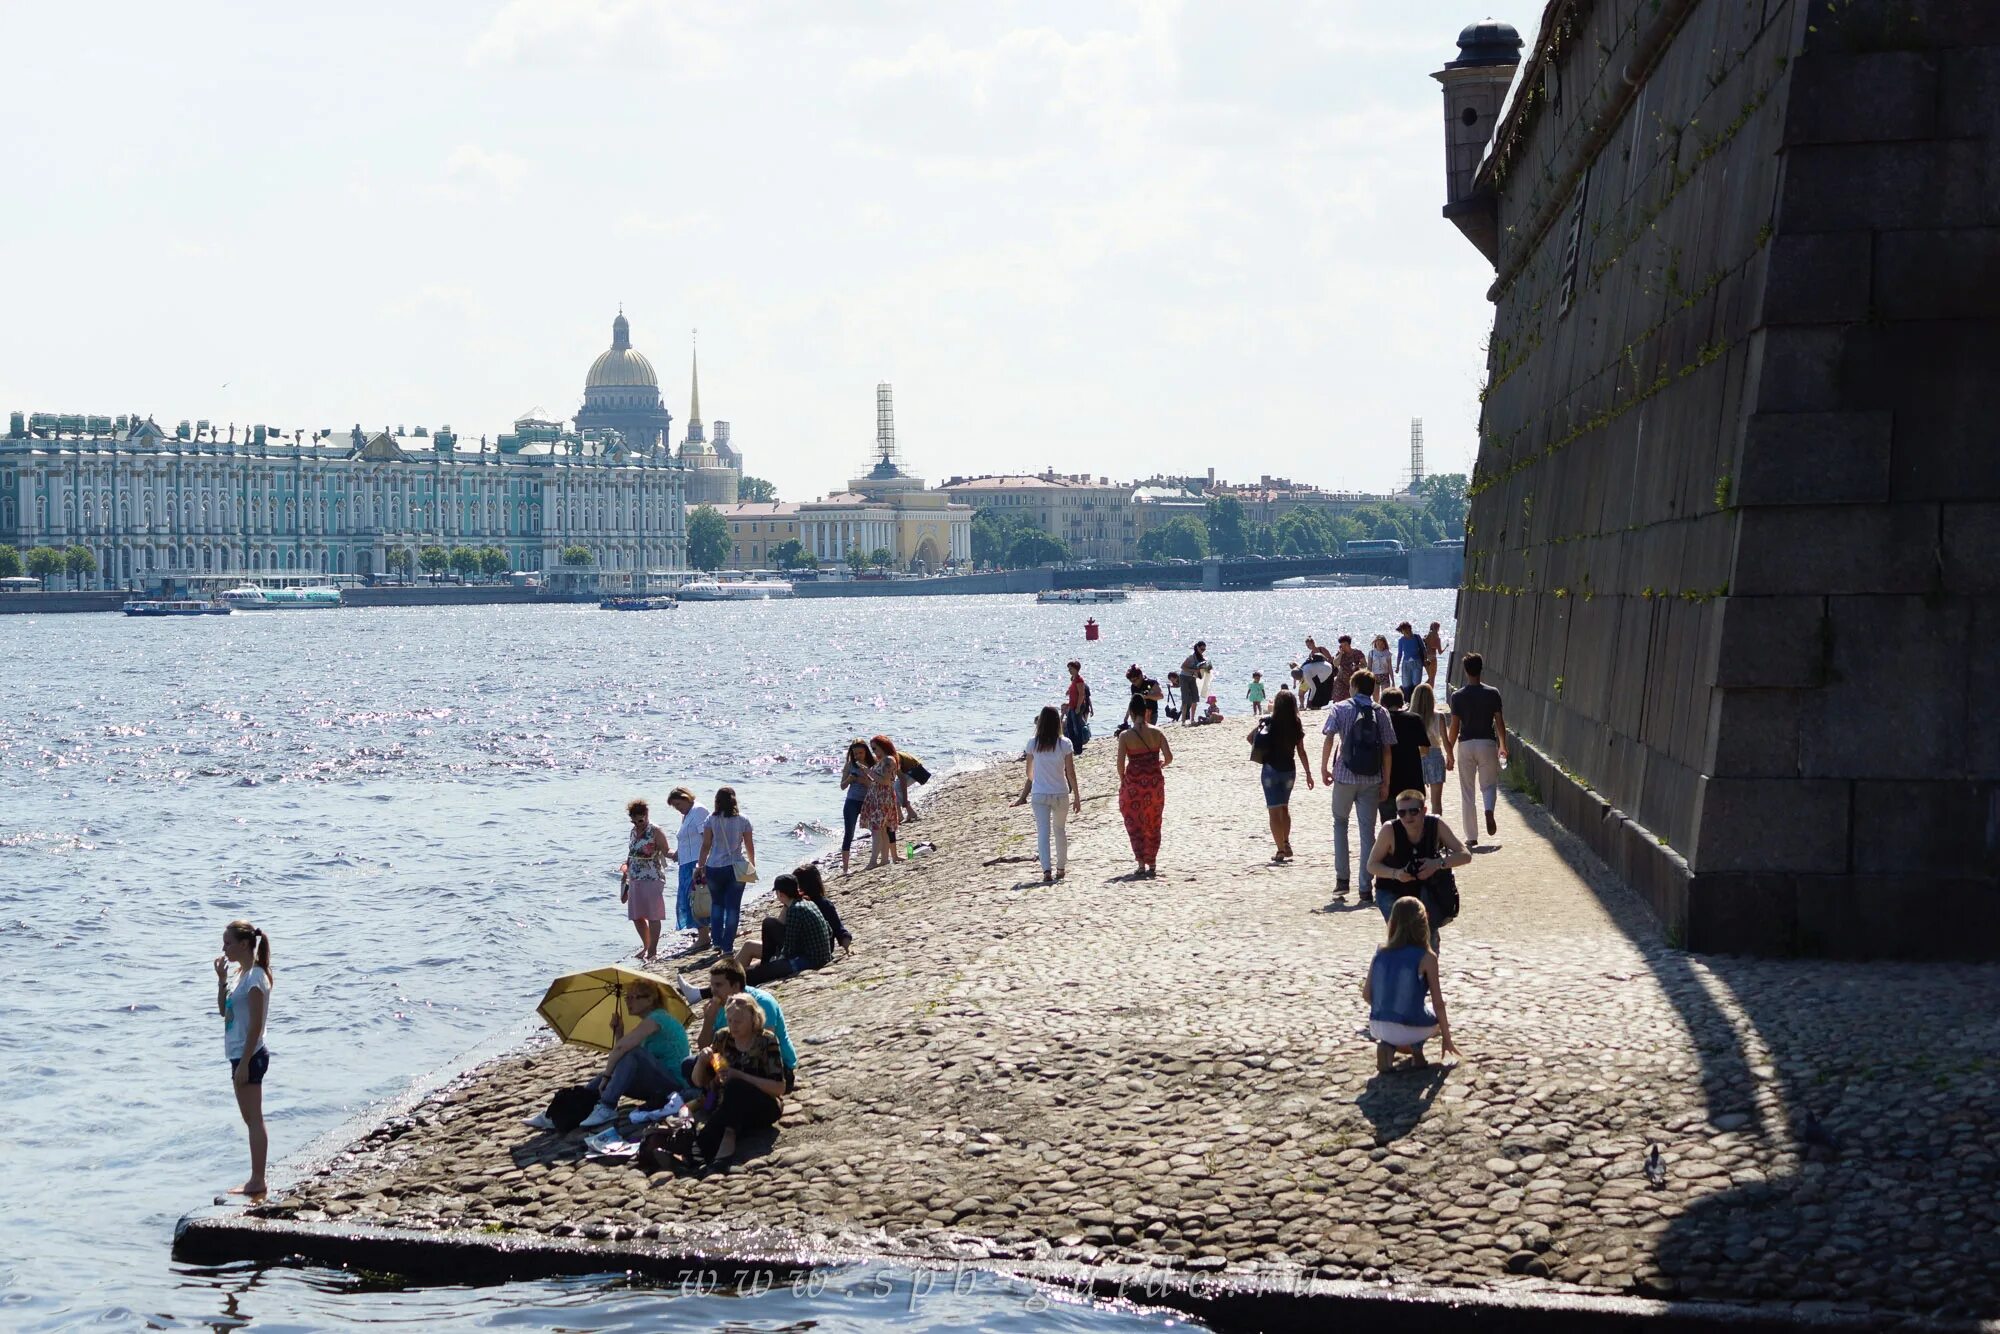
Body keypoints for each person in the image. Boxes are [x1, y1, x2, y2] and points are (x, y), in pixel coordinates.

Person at [578, 977, 694, 1128]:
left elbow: (622, 1050)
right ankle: (576, 1102)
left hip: (676, 1086)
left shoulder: (658, 1018)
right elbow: (623, 1059)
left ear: (650, 999)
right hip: (660, 1084)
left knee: (632, 1054)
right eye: (627, 997)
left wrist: (607, 1076)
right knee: (620, 1066)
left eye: (634, 997)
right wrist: (619, 1032)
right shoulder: (648, 1023)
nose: (628, 1002)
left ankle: (606, 1106)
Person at [1320, 669, 1394, 903]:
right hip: (1372, 779)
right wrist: (1386, 782)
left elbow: (1329, 736)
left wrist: (1324, 767)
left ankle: (1342, 881)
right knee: (1367, 833)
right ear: (1372, 689)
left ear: (1352, 686)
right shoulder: (1380, 712)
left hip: (1344, 775)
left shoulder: (1340, 708)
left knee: (1340, 824)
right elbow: (1387, 750)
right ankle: (1365, 886)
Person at [1362, 896, 1460, 1074]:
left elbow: (1367, 995)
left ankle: (1390, 1046)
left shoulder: (1380, 952)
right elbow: (1438, 1004)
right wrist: (1447, 1039)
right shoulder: (1427, 957)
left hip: (1378, 1025)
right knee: (1432, 1017)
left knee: (1403, 1019)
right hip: (1410, 1024)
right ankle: (1416, 1049)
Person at [689, 994, 788, 1167]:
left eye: (738, 1021)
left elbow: (779, 1088)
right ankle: (726, 1139)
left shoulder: (767, 1040)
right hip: (728, 1104)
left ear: (753, 1019)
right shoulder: (722, 1038)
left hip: (763, 1104)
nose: (733, 1026)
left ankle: (715, 1142)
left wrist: (740, 1076)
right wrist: (701, 1062)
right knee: (728, 1104)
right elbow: (700, 1081)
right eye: (730, 1020)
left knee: (736, 1088)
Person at [215, 919, 273, 1198]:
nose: (224, 948)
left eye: (228, 942)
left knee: (254, 1119)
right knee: (249, 1117)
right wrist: (222, 981)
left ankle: (257, 1180)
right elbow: (224, 1012)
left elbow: (256, 1026)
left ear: (245, 944)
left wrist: (247, 1062)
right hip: (238, 1053)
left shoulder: (255, 978)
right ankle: (255, 1178)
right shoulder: (241, 975)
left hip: (250, 1054)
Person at [1368, 789, 1472, 944]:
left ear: (1424, 811)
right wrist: (1396, 873)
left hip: (1427, 888)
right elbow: (1371, 865)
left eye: (1413, 811)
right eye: (1402, 813)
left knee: (1427, 937)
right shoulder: (1390, 830)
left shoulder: (1435, 825)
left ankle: (1428, 962)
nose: (1408, 817)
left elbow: (1465, 855)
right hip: (1392, 889)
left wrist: (1437, 864)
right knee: (1400, 938)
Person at [682, 957, 799, 1094]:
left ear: (736, 986)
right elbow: (705, 1046)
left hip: (772, 1066)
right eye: (712, 985)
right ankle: (714, 1093)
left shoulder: (761, 1003)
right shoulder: (720, 1005)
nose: (713, 991)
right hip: (735, 1058)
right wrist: (708, 1020)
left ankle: (715, 1094)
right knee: (690, 1064)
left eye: (718, 985)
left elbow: (763, 1049)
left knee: (728, 1081)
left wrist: (728, 1069)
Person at [1445, 652, 1508, 847]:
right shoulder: (1492, 693)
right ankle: (1488, 810)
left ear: (1465, 671)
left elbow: (1454, 726)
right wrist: (1503, 746)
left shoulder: (1457, 696)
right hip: (1487, 743)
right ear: (1481, 669)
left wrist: (1449, 752)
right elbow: (1499, 723)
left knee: (1467, 791)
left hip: (1466, 744)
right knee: (1488, 785)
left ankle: (1472, 836)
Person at [1013, 704, 1081, 884]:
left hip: (1040, 793)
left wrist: (1040, 778)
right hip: (1060, 792)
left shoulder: (1032, 743)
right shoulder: (1065, 743)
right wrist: (1077, 797)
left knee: (1043, 832)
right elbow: (1070, 772)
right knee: (1060, 830)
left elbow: (1029, 773)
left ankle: (1046, 870)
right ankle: (1061, 868)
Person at [1251, 687, 1314, 861]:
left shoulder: (1269, 721)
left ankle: (1280, 850)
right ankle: (1286, 843)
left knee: (1273, 811)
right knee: (1284, 807)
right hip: (1289, 770)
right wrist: (1308, 773)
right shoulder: (1296, 722)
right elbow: (1301, 751)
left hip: (1271, 769)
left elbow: (1250, 739)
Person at [737, 873, 834, 984]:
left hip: (808, 960)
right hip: (819, 954)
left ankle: (724, 983)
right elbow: (829, 930)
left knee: (753, 974)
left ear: (781, 894)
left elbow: (790, 948)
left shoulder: (795, 910)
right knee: (768, 923)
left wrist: (773, 963)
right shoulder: (809, 903)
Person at [1116, 693, 1173, 877]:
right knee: (1153, 822)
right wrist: (1160, 764)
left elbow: (1119, 764)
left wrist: (1123, 779)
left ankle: (1141, 863)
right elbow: (1169, 757)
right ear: (1147, 711)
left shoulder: (1125, 736)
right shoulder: (1157, 732)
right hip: (1154, 784)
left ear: (1132, 712)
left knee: (1135, 823)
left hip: (1134, 785)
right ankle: (1153, 862)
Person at [698, 786, 757, 954]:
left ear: (717, 801)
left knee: (717, 904)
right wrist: (752, 864)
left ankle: (716, 941)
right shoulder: (743, 820)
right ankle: (727, 946)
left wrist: (700, 866)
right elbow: (749, 846)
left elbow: (706, 846)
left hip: (714, 867)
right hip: (736, 866)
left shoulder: (711, 819)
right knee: (733, 907)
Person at [620, 798, 670, 962]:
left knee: (653, 915)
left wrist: (679, 854)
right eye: (634, 821)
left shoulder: (655, 831)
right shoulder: (633, 831)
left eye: (640, 820)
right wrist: (625, 874)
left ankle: (653, 951)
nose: (637, 824)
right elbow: (631, 853)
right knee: (636, 915)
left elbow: (666, 850)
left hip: (652, 877)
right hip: (634, 878)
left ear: (646, 815)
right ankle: (646, 945)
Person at [1376, 689, 1433, 829]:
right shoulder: (1414, 718)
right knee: (1414, 823)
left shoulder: (1380, 719)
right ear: (1402, 702)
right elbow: (1425, 749)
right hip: (1412, 780)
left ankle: (1392, 848)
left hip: (1387, 781)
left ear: (1383, 703)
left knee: (1388, 824)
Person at [666, 787, 710, 948]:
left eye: (678, 804)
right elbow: (687, 839)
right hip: (686, 863)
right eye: (675, 807)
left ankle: (704, 936)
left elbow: (706, 838)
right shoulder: (687, 815)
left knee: (696, 899)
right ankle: (703, 934)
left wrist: (702, 864)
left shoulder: (698, 811)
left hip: (695, 862)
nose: (678, 809)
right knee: (690, 899)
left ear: (686, 798)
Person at [859, 735, 903, 869]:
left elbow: (884, 780)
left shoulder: (889, 760)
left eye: (875, 748)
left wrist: (867, 771)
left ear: (883, 746)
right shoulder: (882, 760)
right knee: (882, 830)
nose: (874, 752)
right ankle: (884, 860)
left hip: (883, 799)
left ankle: (873, 862)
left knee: (877, 830)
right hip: (878, 798)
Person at [793, 862, 852, 956]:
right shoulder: (825, 904)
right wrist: (848, 948)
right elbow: (839, 930)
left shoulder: (798, 905)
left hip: (805, 950)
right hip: (825, 948)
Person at [1410, 682, 1448, 815]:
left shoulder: (1411, 718)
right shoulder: (1439, 716)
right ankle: (1435, 829)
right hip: (1436, 756)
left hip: (1416, 757)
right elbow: (1446, 741)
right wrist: (1450, 757)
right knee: (1436, 802)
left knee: (1417, 801)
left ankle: (1419, 830)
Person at [837, 739, 872, 878]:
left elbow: (876, 784)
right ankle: (845, 868)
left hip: (868, 801)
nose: (858, 756)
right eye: (855, 753)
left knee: (876, 829)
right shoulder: (849, 765)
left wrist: (865, 780)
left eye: (861, 753)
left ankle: (876, 859)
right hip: (852, 801)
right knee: (849, 834)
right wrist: (850, 779)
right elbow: (842, 786)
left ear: (866, 752)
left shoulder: (872, 763)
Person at [1063, 660, 1093, 755]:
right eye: (1069, 669)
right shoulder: (1073, 679)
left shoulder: (1079, 680)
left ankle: (1078, 748)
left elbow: (1081, 695)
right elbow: (1072, 691)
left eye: (1071, 668)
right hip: (1072, 705)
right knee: (1070, 726)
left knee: (1077, 727)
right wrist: (1068, 691)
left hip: (1077, 706)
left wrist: (1078, 707)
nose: (1069, 670)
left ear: (1076, 669)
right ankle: (1071, 747)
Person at [1178, 642, 1209, 726]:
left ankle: (1192, 719)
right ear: (1197, 648)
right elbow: (1182, 667)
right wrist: (1194, 671)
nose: (1202, 651)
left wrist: (1206, 669)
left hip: (1192, 678)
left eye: (1204, 649)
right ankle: (1183, 721)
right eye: (1201, 649)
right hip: (1184, 677)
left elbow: (1202, 671)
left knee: (1195, 698)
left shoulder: (1202, 658)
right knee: (1185, 699)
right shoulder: (1191, 657)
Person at [1331, 636, 1367, 706]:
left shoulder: (1357, 653)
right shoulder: (1340, 654)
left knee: (1352, 699)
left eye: (1345, 645)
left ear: (1349, 644)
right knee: (1338, 699)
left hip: (1353, 680)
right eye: (1342, 645)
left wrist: (1357, 666)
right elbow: (1335, 664)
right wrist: (1341, 653)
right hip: (1341, 680)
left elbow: (1364, 664)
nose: (1344, 647)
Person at [895, 748, 929, 824]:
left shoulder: (893, 757)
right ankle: (900, 815)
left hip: (917, 773)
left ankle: (909, 813)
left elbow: (902, 781)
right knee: (894, 787)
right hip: (917, 771)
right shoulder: (894, 754)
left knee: (896, 787)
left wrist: (905, 801)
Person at [1395, 622, 1426, 694]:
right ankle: (1407, 700)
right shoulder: (1401, 640)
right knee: (1406, 684)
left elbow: (1423, 649)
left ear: (1410, 628)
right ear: (1401, 631)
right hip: (1406, 664)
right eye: (1403, 630)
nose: (1406, 631)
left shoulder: (1417, 637)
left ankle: (1416, 700)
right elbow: (1399, 654)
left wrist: (1425, 659)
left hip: (1417, 662)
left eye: (1407, 628)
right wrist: (1397, 667)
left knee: (1416, 684)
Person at [1424, 622, 1445, 688]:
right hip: (1432, 659)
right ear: (1437, 628)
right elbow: (1440, 652)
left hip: (1426, 659)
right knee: (1432, 680)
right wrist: (1446, 647)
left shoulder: (1427, 636)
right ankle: (1429, 694)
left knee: (1430, 678)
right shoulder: (1437, 638)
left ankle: (1421, 690)